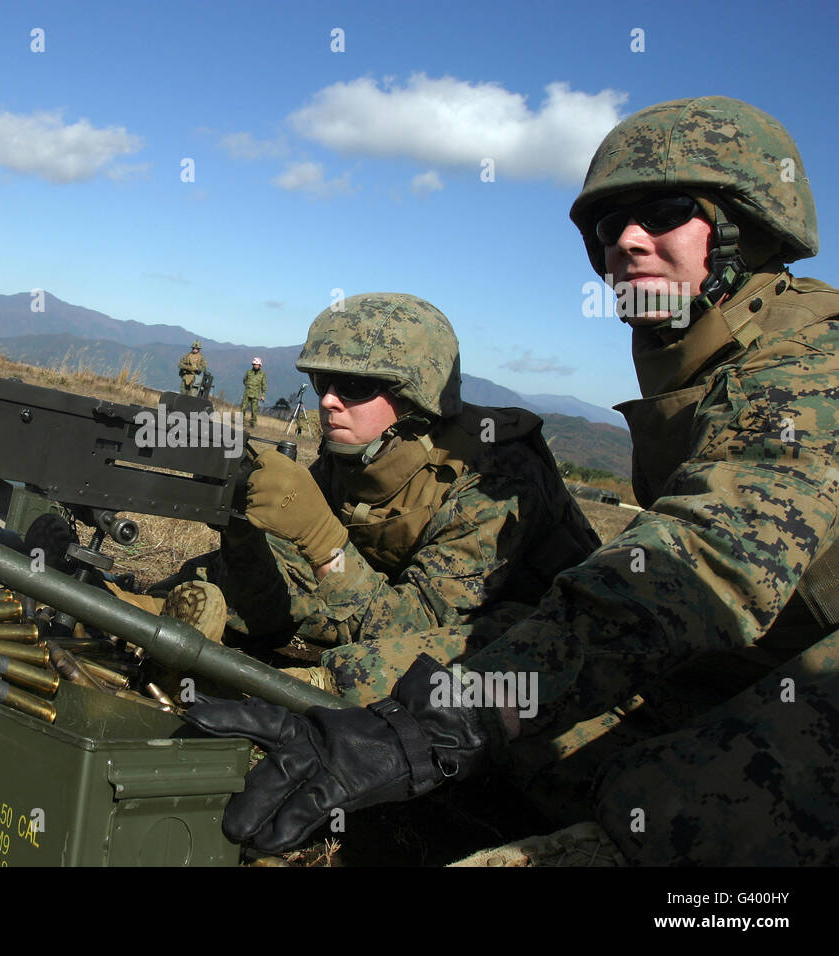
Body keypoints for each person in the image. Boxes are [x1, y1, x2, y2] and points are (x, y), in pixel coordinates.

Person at [186, 97, 839, 865]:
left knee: (673, 804)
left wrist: (434, 724)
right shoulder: (706, 365)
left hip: (794, 696)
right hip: (711, 672)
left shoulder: (812, 373)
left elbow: (705, 562)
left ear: (747, 226)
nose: (627, 241)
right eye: (609, 225)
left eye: (665, 213)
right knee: (493, 677)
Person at [148, 292, 599, 678]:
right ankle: (147, 612)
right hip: (390, 598)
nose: (329, 400)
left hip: (533, 653)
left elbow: (416, 631)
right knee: (272, 556)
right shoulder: (359, 450)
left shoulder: (492, 477)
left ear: (414, 397)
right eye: (323, 381)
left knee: (477, 646)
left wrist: (322, 540)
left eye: (354, 385)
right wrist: (242, 525)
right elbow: (311, 567)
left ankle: (304, 692)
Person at [241, 358, 267, 427]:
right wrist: (248, 386)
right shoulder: (249, 372)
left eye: (257, 364)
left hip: (256, 395)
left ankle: (253, 423)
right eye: (254, 364)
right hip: (247, 393)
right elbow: (244, 380)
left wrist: (263, 394)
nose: (255, 366)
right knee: (243, 408)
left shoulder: (262, 374)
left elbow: (264, 385)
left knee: (254, 410)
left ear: (260, 365)